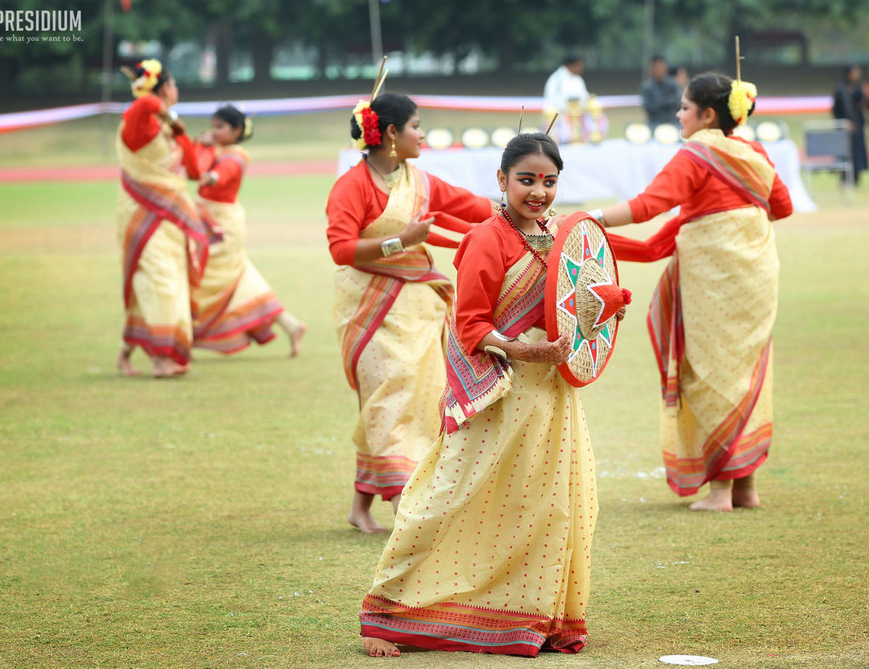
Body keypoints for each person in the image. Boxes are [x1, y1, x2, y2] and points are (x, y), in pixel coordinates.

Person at [360, 133, 619, 657]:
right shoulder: (487, 237)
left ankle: (533, 618)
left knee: (550, 506)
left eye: (549, 181)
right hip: (498, 395)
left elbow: (570, 305)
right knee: (448, 497)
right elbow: (470, 324)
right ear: (501, 181)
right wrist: (526, 353)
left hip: (552, 394)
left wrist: (605, 307)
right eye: (526, 180)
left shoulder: (555, 236)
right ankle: (387, 616)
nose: (539, 192)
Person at [590, 72, 793, 512]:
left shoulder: (695, 155)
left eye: (685, 107)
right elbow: (782, 207)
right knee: (743, 369)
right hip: (756, 277)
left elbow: (648, 206)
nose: (679, 114)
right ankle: (746, 489)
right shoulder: (755, 152)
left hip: (711, 278)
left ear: (707, 114)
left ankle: (720, 493)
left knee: (709, 371)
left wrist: (593, 218)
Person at [325, 93, 494, 534]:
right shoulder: (351, 186)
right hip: (370, 306)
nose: (423, 134)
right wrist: (400, 240)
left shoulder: (419, 180)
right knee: (389, 396)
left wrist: (516, 207)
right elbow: (341, 249)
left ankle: (361, 508)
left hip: (418, 308)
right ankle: (406, 504)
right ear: (393, 133)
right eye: (417, 125)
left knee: (418, 400)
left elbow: (472, 208)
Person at [181, 105, 307, 357]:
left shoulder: (237, 155)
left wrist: (205, 156)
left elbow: (212, 175)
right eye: (213, 126)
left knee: (211, 278)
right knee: (238, 276)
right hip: (208, 219)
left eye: (221, 127)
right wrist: (201, 145)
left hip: (221, 226)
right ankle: (289, 324)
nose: (214, 131)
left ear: (237, 130)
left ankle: (184, 335)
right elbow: (195, 170)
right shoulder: (220, 149)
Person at [115, 59, 208, 378]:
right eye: (172, 85)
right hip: (143, 212)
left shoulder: (170, 127)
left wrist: (185, 136)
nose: (176, 90)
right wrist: (166, 111)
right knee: (159, 282)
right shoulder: (140, 119)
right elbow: (145, 104)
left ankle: (126, 353)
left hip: (173, 217)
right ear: (164, 89)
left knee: (166, 284)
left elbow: (194, 171)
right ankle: (160, 360)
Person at [832, 65, 869, 185]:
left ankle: (856, 177)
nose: (857, 76)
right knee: (846, 152)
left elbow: (862, 103)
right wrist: (843, 122)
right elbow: (837, 109)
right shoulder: (840, 89)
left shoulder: (858, 88)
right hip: (845, 125)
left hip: (857, 123)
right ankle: (845, 178)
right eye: (854, 73)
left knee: (857, 151)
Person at [640, 55, 683, 128]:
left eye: (660, 66)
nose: (658, 69)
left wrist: (659, 101)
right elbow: (649, 107)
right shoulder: (647, 87)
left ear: (665, 67)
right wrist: (668, 100)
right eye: (655, 66)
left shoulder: (673, 84)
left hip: (673, 124)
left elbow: (678, 102)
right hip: (655, 125)